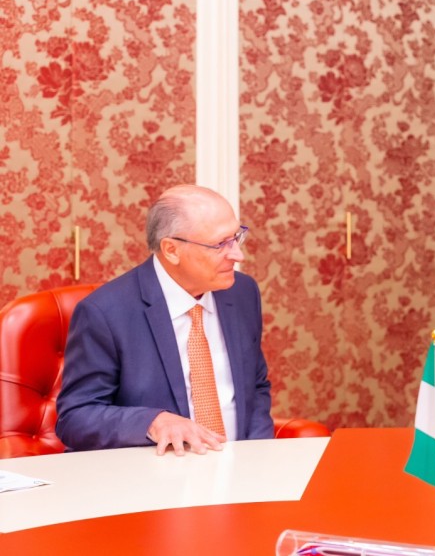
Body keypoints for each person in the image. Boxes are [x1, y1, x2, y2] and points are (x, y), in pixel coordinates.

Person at [56, 185, 273, 456]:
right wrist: (153, 422)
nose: (237, 255)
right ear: (171, 250)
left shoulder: (242, 292)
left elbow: (255, 387)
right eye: (220, 244)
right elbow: (75, 418)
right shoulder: (105, 313)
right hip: (153, 473)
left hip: (239, 467)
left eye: (236, 237)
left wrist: (257, 455)